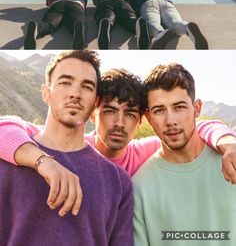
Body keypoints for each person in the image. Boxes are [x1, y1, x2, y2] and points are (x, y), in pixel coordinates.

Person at [0, 67, 236, 217]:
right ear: (94, 113)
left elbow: (195, 128)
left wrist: (227, 143)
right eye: (110, 111)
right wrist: (43, 161)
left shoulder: (148, 152)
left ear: (142, 120)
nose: (120, 123)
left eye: (131, 114)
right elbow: (6, 127)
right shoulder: (65, 146)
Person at [0, 51, 133, 246]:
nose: (75, 94)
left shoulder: (118, 182)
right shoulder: (7, 163)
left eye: (87, 87)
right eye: (65, 82)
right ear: (45, 93)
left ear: (96, 101)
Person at [133, 63, 236, 245]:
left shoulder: (231, 161)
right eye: (159, 110)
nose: (170, 120)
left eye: (179, 107)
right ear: (148, 117)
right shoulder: (139, 188)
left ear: (196, 109)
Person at [24, 0, 89, 50]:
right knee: (77, 23)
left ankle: (38, 28)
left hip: (57, 4)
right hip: (76, 5)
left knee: (49, 24)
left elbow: (48, 2)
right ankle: (78, 28)